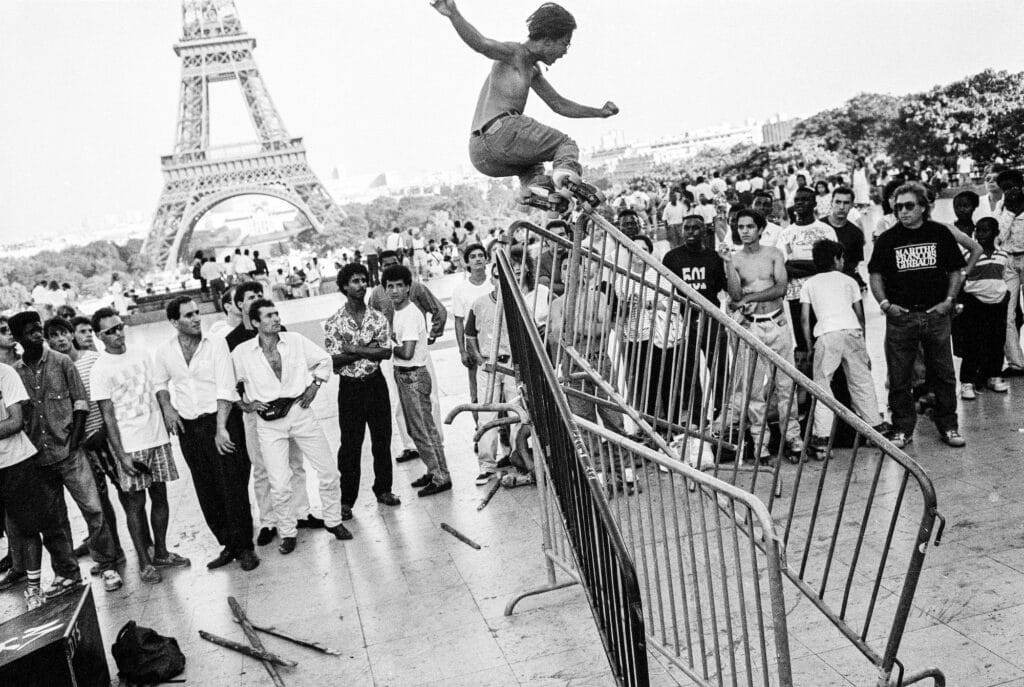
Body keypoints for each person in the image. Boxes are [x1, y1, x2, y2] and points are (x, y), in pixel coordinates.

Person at [433, 0, 617, 211]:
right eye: (565, 44)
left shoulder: (531, 69)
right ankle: (565, 176)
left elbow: (558, 104)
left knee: (532, 166)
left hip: (480, 154)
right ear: (548, 41)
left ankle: (535, 192)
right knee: (565, 145)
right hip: (501, 132)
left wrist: (599, 113)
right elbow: (482, 44)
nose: (564, 52)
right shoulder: (516, 53)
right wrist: (453, 14)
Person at [8, 312, 123, 594]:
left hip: (70, 452)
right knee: (53, 522)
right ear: (19, 338)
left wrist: (74, 442)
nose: (37, 334)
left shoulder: (62, 363)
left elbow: (81, 403)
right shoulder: (15, 372)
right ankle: (67, 573)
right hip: (38, 460)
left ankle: (107, 565)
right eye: (30, 331)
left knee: (94, 510)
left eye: (39, 329)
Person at [231, 300, 351, 553]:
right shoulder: (242, 353)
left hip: (300, 411)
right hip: (268, 423)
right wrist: (245, 405)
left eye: (276, 314)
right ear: (255, 323)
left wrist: (314, 387)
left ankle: (333, 520)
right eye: (268, 316)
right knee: (280, 483)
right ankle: (287, 532)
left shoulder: (294, 340)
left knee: (328, 471)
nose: (275, 319)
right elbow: (224, 383)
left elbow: (324, 361)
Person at [153, 297, 258, 572]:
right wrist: (168, 408)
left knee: (232, 486)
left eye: (198, 313)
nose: (197, 318)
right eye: (189, 315)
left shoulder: (216, 343)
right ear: (174, 322)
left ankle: (245, 547)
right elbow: (159, 382)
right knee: (206, 488)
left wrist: (222, 428)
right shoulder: (165, 352)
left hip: (221, 421)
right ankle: (228, 544)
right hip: (189, 428)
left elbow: (226, 386)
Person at [90, 307, 190, 584]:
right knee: (135, 504)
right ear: (99, 336)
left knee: (161, 498)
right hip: (130, 445)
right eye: (110, 331)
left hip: (157, 437)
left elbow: (159, 388)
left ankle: (161, 552)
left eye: (120, 326)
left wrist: (168, 412)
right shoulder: (100, 369)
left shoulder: (143, 353)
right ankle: (144, 563)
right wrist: (120, 455)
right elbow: (107, 415)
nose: (118, 333)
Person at [868, 182, 967, 449]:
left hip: (936, 315)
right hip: (902, 318)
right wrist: (886, 304)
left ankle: (948, 425)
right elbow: (875, 274)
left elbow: (957, 270)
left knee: (944, 374)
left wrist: (948, 301)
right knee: (899, 377)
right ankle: (901, 428)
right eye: (898, 207)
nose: (903, 211)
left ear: (923, 207)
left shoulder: (940, 233)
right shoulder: (888, 239)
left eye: (909, 206)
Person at [224, 284, 321, 546]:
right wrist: (246, 405)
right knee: (263, 468)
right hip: (259, 415)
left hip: (290, 411)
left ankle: (301, 512)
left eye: (259, 296)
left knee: (295, 463)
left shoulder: (281, 332)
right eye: (250, 298)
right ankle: (269, 520)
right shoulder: (232, 341)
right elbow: (228, 383)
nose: (257, 300)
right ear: (240, 306)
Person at [43, 317, 130, 577]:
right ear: (48, 341)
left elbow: (108, 399)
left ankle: (143, 544)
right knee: (99, 503)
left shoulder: (92, 360)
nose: (60, 339)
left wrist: (104, 430)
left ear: (72, 335)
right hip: (82, 446)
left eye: (63, 334)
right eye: (53, 336)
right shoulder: (55, 368)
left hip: (106, 439)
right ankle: (113, 552)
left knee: (126, 491)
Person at [721, 209, 804, 458]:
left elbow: (780, 289)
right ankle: (760, 443)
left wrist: (751, 296)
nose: (744, 231)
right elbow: (735, 295)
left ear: (760, 229)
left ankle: (793, 438)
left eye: (749, 226)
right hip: (752, 326)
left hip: (777, 323)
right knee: (755, 388)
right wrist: (727, 262)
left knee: (786, 384)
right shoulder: (735, 259)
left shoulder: (773, 254)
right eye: (740, 227)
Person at [0, 358, 81, 609]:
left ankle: (34, 591)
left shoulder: (4, 373)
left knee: (28, 527)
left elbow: (15, 421)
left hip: (15, 462)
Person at [324, 264, 401, 521]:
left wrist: (354, 349)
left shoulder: (378, 318)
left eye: (364, 280)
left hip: (375, 383)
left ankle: (384, 489)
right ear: (344, 286)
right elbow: (333, 361)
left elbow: (386, 352)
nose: (361, 285)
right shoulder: (334, 322)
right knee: (350, 445)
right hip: (350, 389)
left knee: (382, 439)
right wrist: (368, 348)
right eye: (355, 281)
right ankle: (346, 500)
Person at [799, 240, 885, 456]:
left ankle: (822, 438)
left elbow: (804, 319)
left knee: (822, 386)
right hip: (852, 331)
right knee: (861, 381)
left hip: (827, 335)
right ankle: (875, 429)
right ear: (837, 259)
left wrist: (810, 347)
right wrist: (863, 345)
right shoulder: (849, 281)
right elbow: (859, 314)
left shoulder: (810, 284)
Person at [369, 250, 448, 463]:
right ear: (380, 269)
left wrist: (434, 333)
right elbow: (370, 321)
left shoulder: (415, 287)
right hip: (393, 358)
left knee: (429, 399)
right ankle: (411, 445)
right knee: (399, 402)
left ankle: (436, 440)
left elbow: (438, 310)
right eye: (385, 265)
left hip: (417, 353)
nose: (395, 289)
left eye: (393, 263)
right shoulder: (377, 294)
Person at [382, 265, 452, 496]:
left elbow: (407, 352)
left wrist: (388, 345)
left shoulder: (410, 314)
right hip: (403, 375)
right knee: (415, 429)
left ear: (407, 288)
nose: (394, 291)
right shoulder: (397, 312)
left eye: (399, 286)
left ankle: (441, 476)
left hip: (413, 375)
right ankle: (434, 470)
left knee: (424, 429)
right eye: (390, 286)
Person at [662, 216, 729, 426]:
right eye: (687, 228)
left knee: (718, 369)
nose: (691, 232)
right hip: (683, 319)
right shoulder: (672, 257)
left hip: (710, 317)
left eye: (696, 228)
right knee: (688, 371)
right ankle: (696, 415)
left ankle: (722, 412)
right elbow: (667, 289)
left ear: (704, 231)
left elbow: (720, 288)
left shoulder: (713, 257)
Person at [958, 218, 1011, 399]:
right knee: (973, 343)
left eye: (985, 231)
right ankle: (967, 381)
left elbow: (1003, 276)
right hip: (975, 302)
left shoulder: (1003, 254)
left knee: (996, 341)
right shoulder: (968, 255)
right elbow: (962, 278)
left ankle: (993, 376)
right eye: (978, 231)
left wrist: (1005, 295)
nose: (980, 235)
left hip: (998, 303)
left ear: (995, 233)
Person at [452, 243, 492, 427]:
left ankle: (504, 434)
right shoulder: (461, 290)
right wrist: (462, 350)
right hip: (474, 344)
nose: (477, 259)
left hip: (497, 340)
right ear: (467, 263)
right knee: (477, 391)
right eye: (473, 256)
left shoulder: (494, 282)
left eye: (480, 255)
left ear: (486, 259)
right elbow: (459, 321)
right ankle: (481, 429)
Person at [996, 169, 1024, 376]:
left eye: (1013, 186)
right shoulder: (1001, 207)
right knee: (1007, 314)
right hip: (1009, 261)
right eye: (1005, 188)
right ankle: (1016, 362)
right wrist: (1009, 210)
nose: (1009, 191)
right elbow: (998, 236)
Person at [821, 187, 867, 289]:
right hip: (821, 284)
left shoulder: (856, 233)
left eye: (846, 203)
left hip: (845, 285)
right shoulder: (819, 227)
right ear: (831, 203)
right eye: (838, 202)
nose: (841, 207)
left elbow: (854, 264)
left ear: (852, 205)